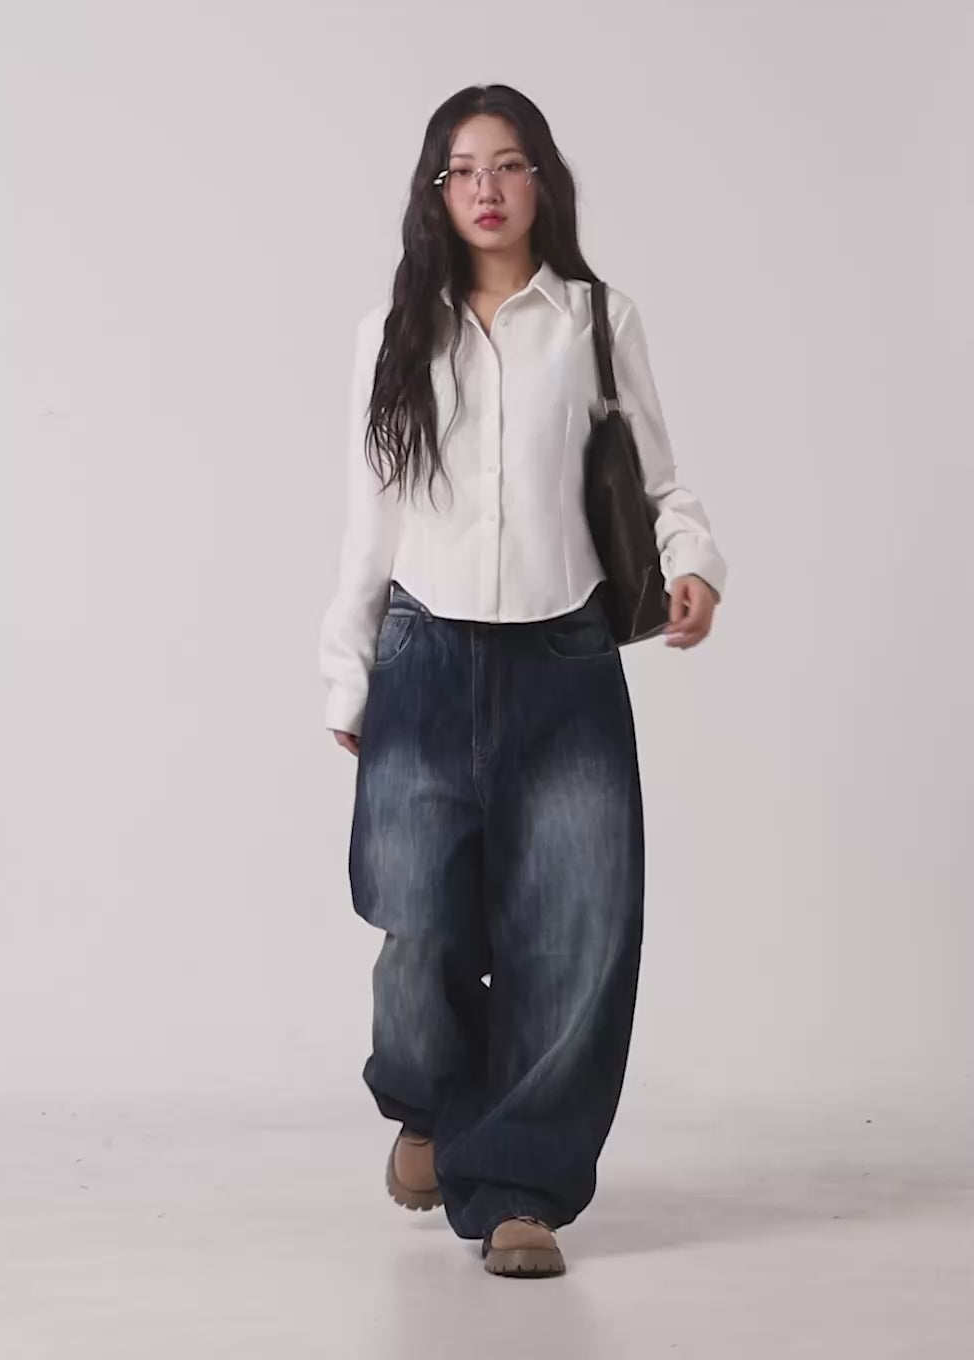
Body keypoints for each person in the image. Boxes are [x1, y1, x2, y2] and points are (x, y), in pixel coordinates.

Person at [319, 83, 726, 1279]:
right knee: (417, 923)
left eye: (506, 164)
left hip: (566, 664)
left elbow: (659, 483)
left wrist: (693, 565)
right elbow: (370, 517)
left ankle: (518, 1190)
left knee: (574, 931)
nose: (485, 188)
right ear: (435, 192)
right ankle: (428, 1100)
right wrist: (346, 673)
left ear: (541, 180)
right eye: (461, 169)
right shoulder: (395, 331)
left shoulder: (598, 321)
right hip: (423, 656)